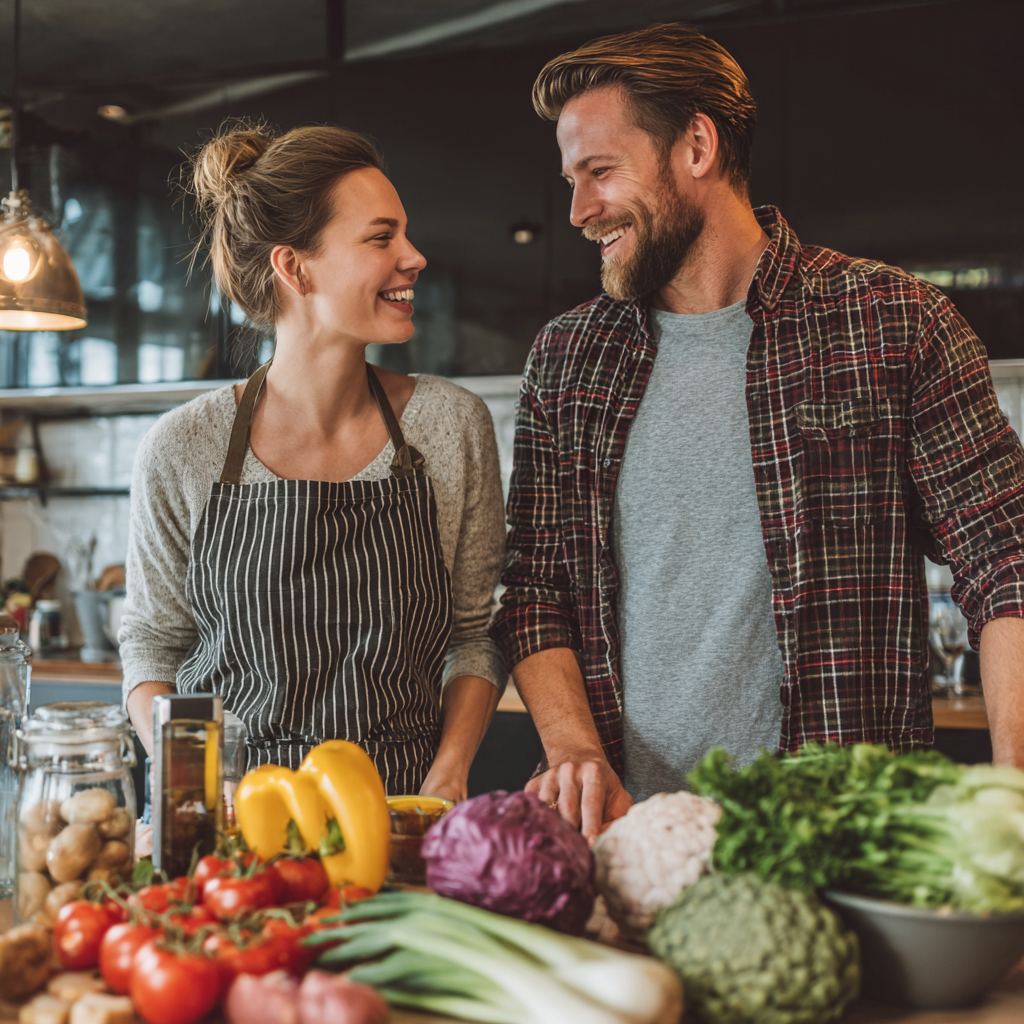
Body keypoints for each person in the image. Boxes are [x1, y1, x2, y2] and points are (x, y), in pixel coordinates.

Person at [491, 24, 1024, 840]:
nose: (579, 210)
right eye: (572, 179)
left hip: (841, 840)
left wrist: (1012, 802)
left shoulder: (891, 322)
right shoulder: (569, 359)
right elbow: (534, 593)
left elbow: (1005, 557)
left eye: (600, 172)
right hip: (625, 843)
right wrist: (573, 751)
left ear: (696, 145)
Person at [121, 123, 507, 802]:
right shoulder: (183, 446)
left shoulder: (449, 425)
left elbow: (474, 635)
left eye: (405, 234)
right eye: (381, 238)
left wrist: (447, 778)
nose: (414, 257)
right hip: (236, 818)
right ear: (294, 268)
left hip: (400, 814)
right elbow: (154, 645)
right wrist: (198, 785)